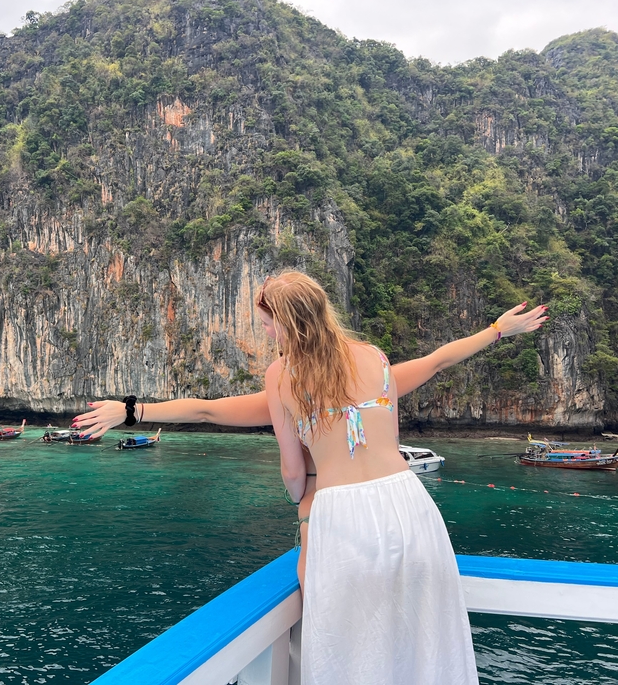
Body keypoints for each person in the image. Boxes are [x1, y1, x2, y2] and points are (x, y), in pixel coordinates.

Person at [76, 272, 546, 683]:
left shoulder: (283, 377)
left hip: (343, 517)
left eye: (266, 323)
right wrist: (497, 330)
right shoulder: (375, 358)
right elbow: (439, 360)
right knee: (422, 641)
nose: (264, 333)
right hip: (411, 506)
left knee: (348, 650)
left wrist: (303, 510)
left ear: (288, 323)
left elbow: (287, 468)